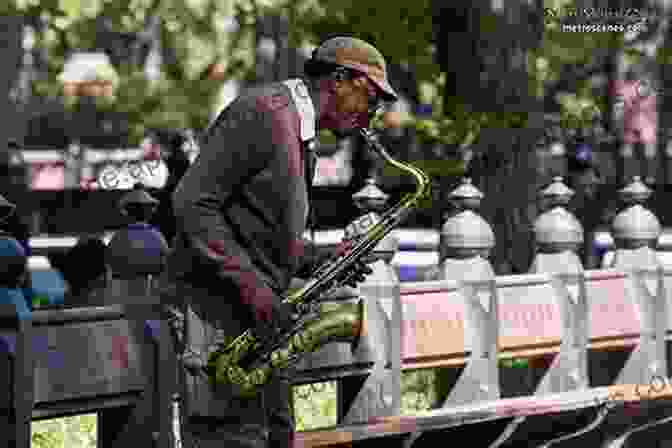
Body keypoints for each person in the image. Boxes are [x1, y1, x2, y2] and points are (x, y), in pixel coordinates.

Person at [163, 36, 398, 448]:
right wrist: (254, 288)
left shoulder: (298, 132)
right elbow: (192, 203)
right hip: (217, 321)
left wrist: (325, 259)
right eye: (371, 96)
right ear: (340, 80)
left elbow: (258, 232)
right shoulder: (264, 114)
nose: (373, 113)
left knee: (274, 437)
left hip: (255, 325)